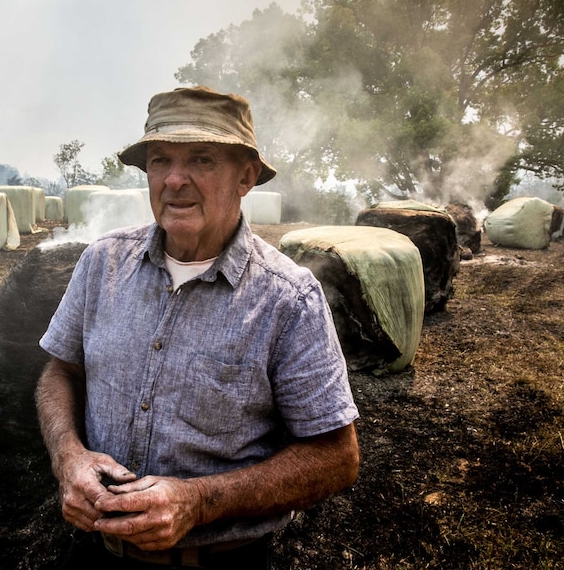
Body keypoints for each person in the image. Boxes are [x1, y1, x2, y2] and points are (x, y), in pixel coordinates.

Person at [35, 85, 359, 569]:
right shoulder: (101, 263)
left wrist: (198, 501)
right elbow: (59, 373)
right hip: (94, 551)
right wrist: (69, 458)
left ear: (246, 176)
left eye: (202, 160)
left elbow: (337, 456)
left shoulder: (289, 298)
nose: (175, 180)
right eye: (160, 160)